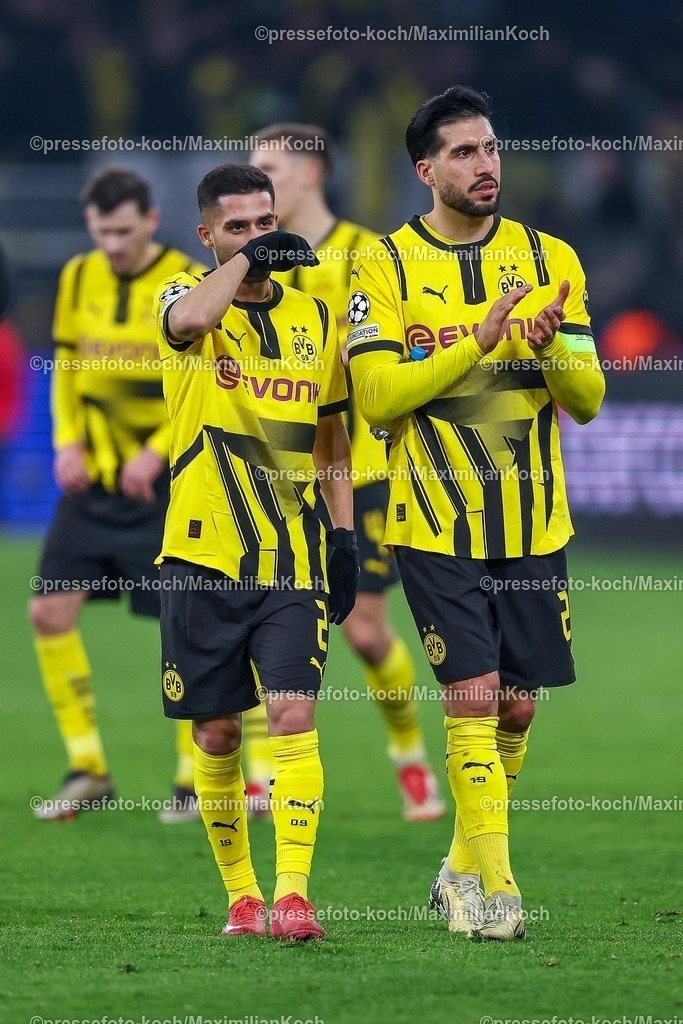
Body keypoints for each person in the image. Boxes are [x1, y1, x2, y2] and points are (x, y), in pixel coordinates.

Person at [348, 86, 605, 940]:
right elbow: (379, 397)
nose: (485, 163)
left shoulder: (549, 257)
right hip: (433, 524)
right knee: (472, 695)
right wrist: (478, 340)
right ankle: (497, 893)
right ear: (425, 171)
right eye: (462, 152)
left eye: (490, 148)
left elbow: (589, 400)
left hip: (532, 525)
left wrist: (545, 349)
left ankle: (456, 866)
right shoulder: (381, 267)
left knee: (517, 708)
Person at [153, 163, 358, 940]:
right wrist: (249, 261)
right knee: (217, 734)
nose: (255, 237)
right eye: (235, 227)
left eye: (264, 222)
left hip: (292, 561)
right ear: (206, 236)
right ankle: (240, 895)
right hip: (201, 557)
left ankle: (294, 895)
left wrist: (343, 537)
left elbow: (332, 438)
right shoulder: (179, 292)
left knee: (292, 715)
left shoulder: (315, 318)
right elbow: (193, 322)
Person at [248, 122, 444, 822]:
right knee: (257, 618)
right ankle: (262, 769)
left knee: (363, 631)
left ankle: (409, 757)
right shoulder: (246, 262)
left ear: (310, 172)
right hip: (268, 479)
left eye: (268, 164)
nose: (258, 177)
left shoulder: (368, 254)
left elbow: (410, 350)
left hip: (357, 474)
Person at [29, 168, 206, 821]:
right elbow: (67, 366)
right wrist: (65, 442)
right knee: (49, 613)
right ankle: (88, 768)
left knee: (183, 625)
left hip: (162, 487)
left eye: (124, 232)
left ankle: (193, 777)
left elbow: (198, 382)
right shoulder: (78, 276)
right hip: (94, 481)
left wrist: (155, 452)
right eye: (102, 232)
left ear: (151, 221)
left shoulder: (187, 281)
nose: (112, 245)